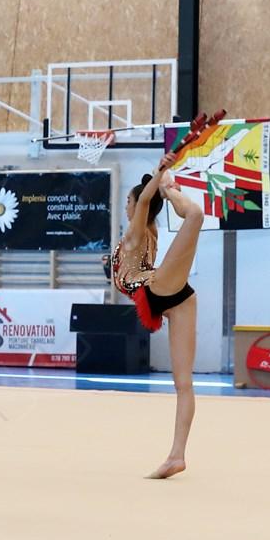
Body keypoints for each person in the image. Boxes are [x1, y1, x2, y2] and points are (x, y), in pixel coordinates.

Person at [111, 152, 204, 478]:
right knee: (183, 384)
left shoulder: (136, 232)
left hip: (158, 289)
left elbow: (143, 200)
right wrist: (160, 177)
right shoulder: (149, 231)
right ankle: (176, 456)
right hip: (175, 298)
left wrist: (160, 175)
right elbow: (145, 203)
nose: (127, 206)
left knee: (195, 216)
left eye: (128, 201)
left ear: (138, 206)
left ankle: (170, 189)